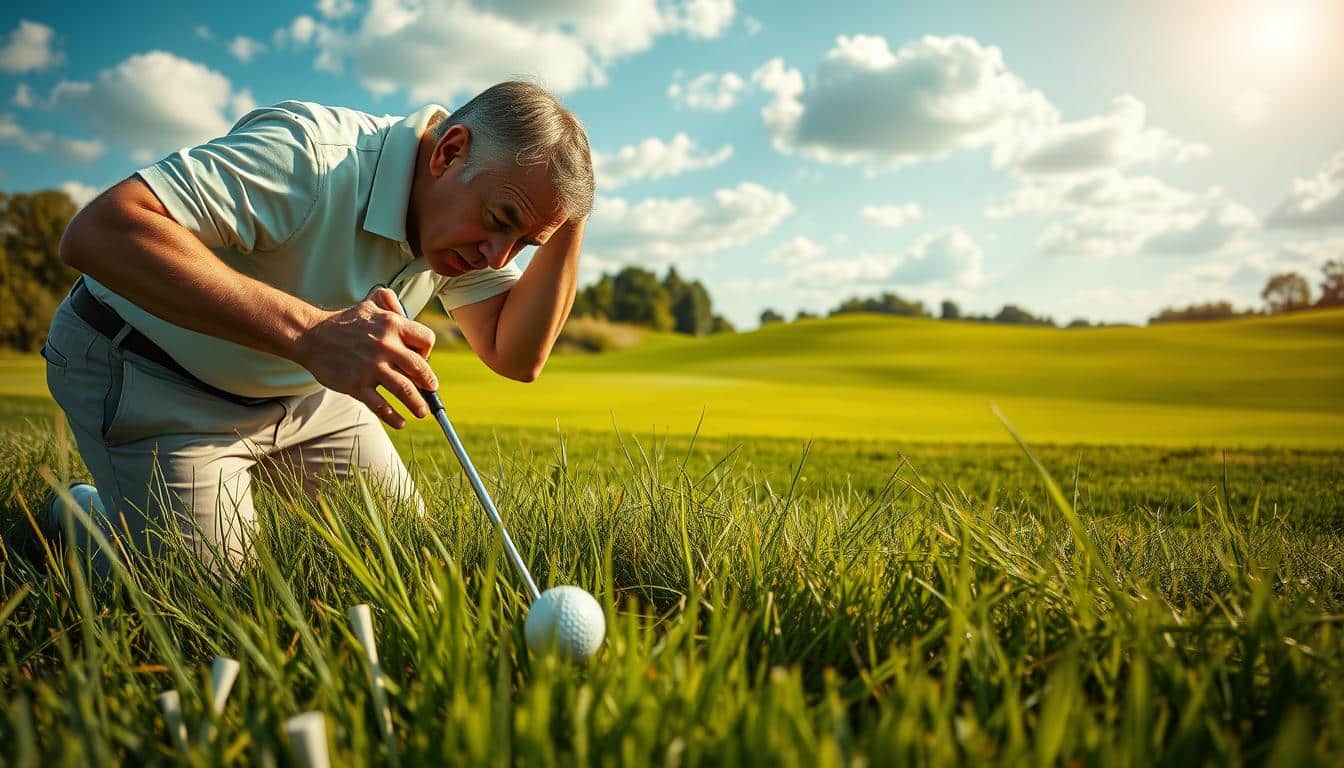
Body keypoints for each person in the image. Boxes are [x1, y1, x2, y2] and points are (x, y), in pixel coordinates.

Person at [41, 80, 593, 573]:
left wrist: (571, 217)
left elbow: (514, 354)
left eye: (525, 243)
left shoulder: (465, 223)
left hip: (305, 393)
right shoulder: (309, 156)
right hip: (152, 377)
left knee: (409, 561)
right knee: (220, 600)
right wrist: (310, 334)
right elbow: (100, 232)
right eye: (500, 222)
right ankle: (87, 515)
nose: (499, 258)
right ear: (449, 152)